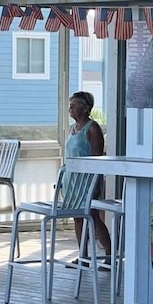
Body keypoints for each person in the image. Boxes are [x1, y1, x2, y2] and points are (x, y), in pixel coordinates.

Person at [65, 91, 112, 264]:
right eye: (70, 105)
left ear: (85, 108)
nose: (70, 108)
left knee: (92, 215)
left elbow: (97, 157)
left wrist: (97, 183)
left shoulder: (92, 128)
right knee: (77, 217)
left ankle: (108, 254)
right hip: (72, 180)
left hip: (87, 180)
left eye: (74, 105)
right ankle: (83, 255)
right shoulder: (72, 129)